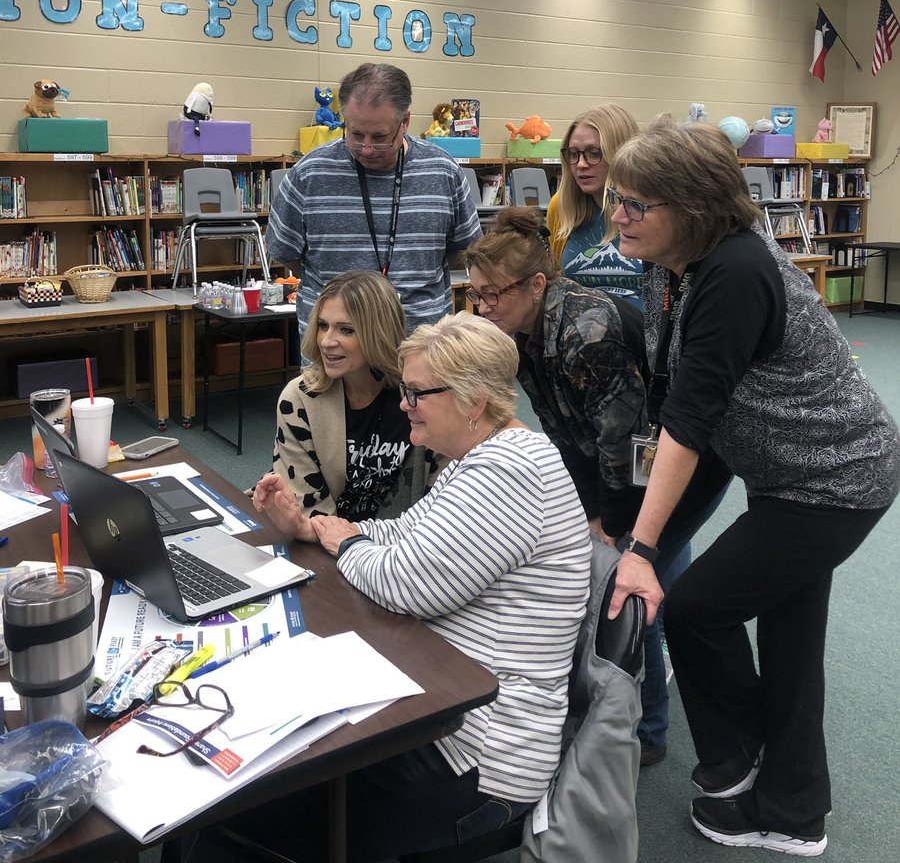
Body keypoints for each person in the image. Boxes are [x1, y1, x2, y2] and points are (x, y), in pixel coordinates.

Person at [194, 313, 592, 863]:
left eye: (416, 393)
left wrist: (349, 546)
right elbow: (405, 534)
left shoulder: (508, 473)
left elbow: (405, 582)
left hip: (477, 756)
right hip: (442, 700)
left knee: (237, 810)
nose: (403, 403)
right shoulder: (482, 457)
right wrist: (315, 529)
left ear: (473, 402)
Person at [605, 117, 900, 856]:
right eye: (618, 196)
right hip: (789, 476)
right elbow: (688, 410)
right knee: (792, 641)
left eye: (637, 203)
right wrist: (653, 528)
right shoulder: (680, 265)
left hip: (832, 480)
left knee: (698, 608)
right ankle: (795, 809)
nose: (617, 213)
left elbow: (690, 419)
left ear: (692, 206)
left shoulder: (734, 272)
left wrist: (643, 545)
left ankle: (740, 762)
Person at [465, 206, 730, 767]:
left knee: (626, 589)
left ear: (537, 284)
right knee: (647, 579)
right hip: (628, 462)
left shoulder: (587, 332)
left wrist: (610, 524)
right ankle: (650, 689)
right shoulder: (522, 331)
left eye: (493, 295)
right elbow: (564, 430)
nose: (483, 308)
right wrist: (586, 510)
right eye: (476, 295)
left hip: (676, 466)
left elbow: (620, 443)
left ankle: (649, 732)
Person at [266, 62, 482, 339]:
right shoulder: (309, 173)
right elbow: (286, 253)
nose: (366, 148)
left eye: (379, 137)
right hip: (333, 353)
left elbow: (462, 248)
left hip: (420, 349)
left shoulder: (443, 171)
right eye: (355, 134)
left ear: (405, 121)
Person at [255, 270, 441, 525]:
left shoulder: (424, 392)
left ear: (379, 332)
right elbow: (308, 508)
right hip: (322, 541)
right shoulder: (300, 398)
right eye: (323, 326)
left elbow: (444, 497)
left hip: (407, 544)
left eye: (346, 330)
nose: (327, 341)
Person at [546, 104, 643, 303]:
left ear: (620, 154)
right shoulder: (561, 207)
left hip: (644, 332)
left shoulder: (648, 208)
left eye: (594, 153)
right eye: (574, 154)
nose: (581, 164)